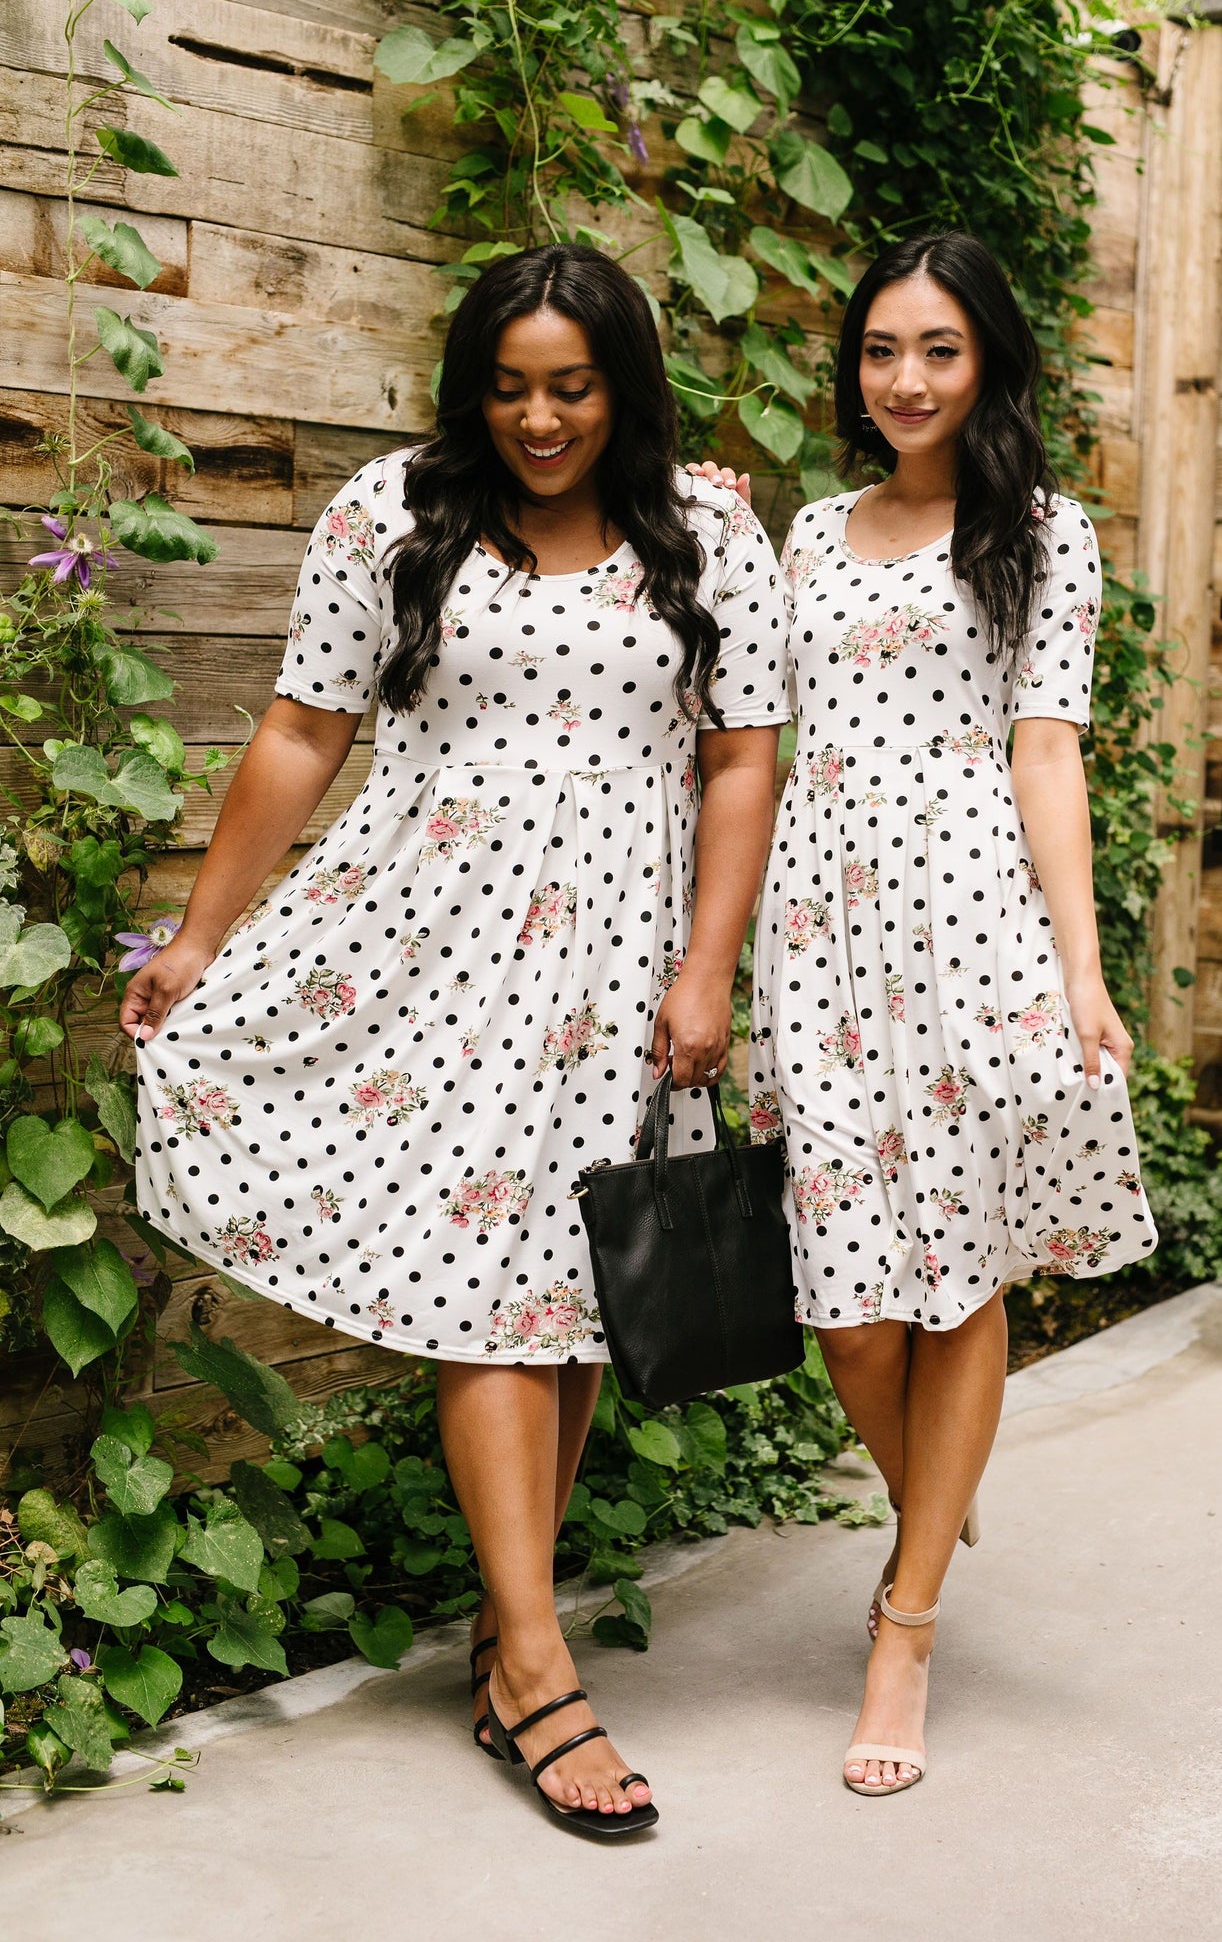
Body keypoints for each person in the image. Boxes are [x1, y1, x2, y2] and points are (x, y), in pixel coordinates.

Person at [121, 243, 789, 1838]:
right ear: (466, 386)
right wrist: (203, 934)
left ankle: (506, 1634)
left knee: (568, 1305)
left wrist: (709, 967)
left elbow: (742, 758)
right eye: (508, 387)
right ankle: (540, 1669)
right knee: (496, 1295)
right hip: (424, 947)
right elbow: (300, 727)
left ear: (619, 382)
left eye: (570, 386)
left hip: (621, 965)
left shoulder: (706, 534)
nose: (540, 419)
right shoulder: (389, 516)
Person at [744, 229, 1157, 1795]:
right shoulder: (804, 531)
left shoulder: (1038, 532)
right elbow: (755, 733)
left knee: (952, 1283)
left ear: (985, 360)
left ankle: (902, 1622)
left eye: (935, 348)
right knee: (848, 1317)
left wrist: (1081, 967)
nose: (903, 378)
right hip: (816, 935)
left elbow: (1044, 751)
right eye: (877, 349)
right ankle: (935, 1484)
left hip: (969, 929)